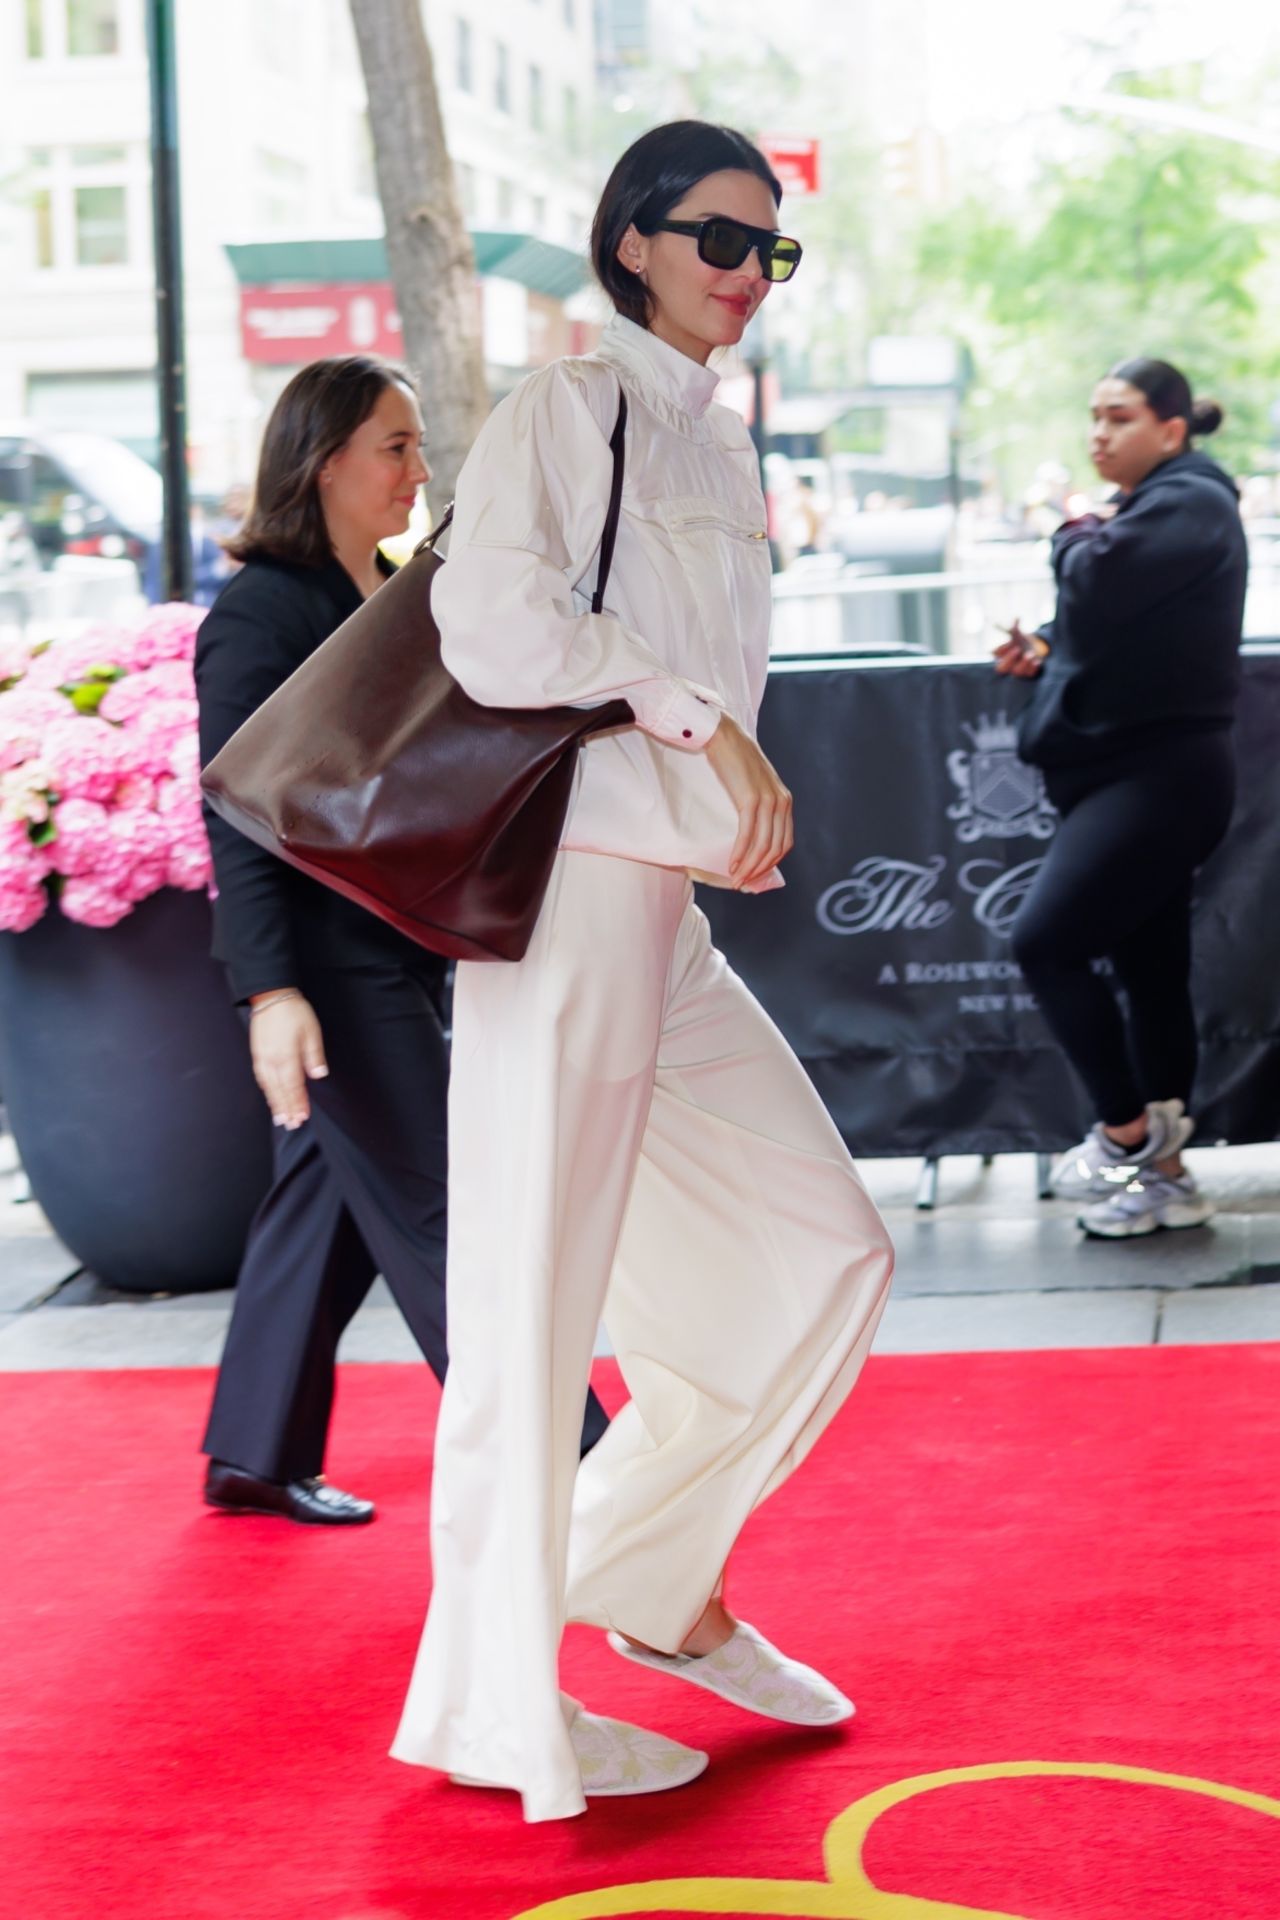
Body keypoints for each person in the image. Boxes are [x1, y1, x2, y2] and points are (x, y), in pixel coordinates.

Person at [390, 122, 895, 1822]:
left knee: (827, 1253)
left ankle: (649, 1585)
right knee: (533, 1308)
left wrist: (715, 766)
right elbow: (495, 627)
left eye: (770, 250)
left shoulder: (713, 436)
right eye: (715, 240)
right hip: (566, 904)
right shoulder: (569, 408)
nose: (746, 276)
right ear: (629, 242)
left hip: (664, 915)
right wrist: (696, 725)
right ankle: (491, 1706)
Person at [194, 354, 611, 1526]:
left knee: (325, 1198)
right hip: (330, 967)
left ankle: (253, 1448)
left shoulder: (381, 588)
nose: (418, 470)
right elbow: (237, 815)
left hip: (394, 945)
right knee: (453, 1207)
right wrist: (270, 991)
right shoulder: (258, 615)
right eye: (397, 446)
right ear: (324, 461)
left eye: (419, 447)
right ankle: (572, 1462)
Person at [996, 357, 1247, 1238]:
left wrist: (1072, 527)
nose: (1099, 434)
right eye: (1095, 418)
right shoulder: (1168, 505)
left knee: (1046, 941)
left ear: (1172, 429)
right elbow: (1121, 627)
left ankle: (1125, 1137)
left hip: (1160, 780)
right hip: (1149, 775)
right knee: (1150, 972)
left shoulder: (1193, 501)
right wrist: (1047, 651)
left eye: (1120, 417)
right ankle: (1166, 1179)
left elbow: (1100, 577)